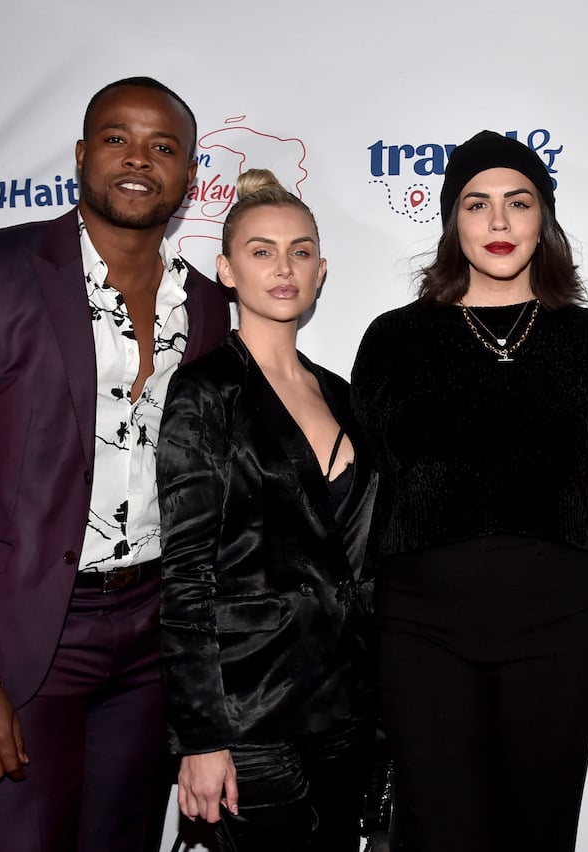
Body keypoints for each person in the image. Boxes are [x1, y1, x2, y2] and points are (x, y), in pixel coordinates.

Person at [0, 78, 230, 851]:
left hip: (153, 641)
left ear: (189, 175)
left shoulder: (207, 308)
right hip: (18, 637)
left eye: (162, 147)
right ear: (82, 155)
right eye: (117, 139)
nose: (138, 159)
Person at [350, 130, 588, 852]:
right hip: (420, 630)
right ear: (453, 220)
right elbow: (366, 487)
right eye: (477, 204)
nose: (499, 222)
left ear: (545, 218)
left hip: (556, 626)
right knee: (438, 835)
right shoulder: (394, 339)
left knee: (539, 836)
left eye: (518, 202)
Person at [157, 169, 381, 850]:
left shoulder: (344, 396)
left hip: (346, 706)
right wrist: (201, 736)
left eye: (300, 251)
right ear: (226, 271)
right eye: (262, 251)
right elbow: (186, 576)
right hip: (248, 710)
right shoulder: (204, 392)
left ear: (320, 270)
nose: (284, 267)